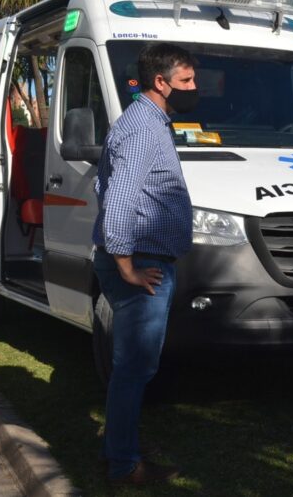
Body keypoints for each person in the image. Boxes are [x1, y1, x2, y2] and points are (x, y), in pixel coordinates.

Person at [92, 42, 198, 485]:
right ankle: (123, 464)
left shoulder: (149, 121)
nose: (195, 88)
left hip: (145, 258)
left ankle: (122, 445)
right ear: (161, 82)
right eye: (187, 80)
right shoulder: (143, 129)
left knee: (134, 367)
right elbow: (118, 199)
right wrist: (126, 264)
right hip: (142, 263)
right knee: (135, 367)